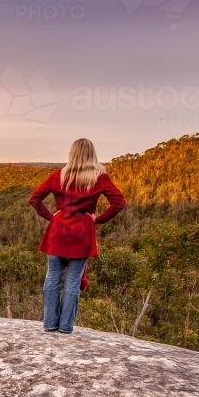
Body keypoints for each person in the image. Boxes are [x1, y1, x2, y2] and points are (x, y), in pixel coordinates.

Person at [28, 138, 126, 334]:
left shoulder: (58, 176)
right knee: (73, 280)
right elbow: (119, 203)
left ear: (71, 154)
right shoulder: (99, 178)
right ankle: (65, 327)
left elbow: (35, 199)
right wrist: (97, 220)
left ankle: (49, 324)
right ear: (92, 155)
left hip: (58, 232)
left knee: (53, 277)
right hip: (82, 234)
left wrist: (51, 216)